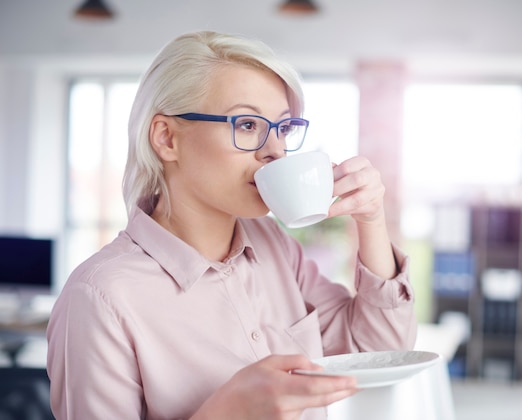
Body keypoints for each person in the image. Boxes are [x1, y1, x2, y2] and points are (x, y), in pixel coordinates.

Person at [46, 30, 417, 420]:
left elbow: (382, 351)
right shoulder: (99, 298)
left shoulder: (276, 247)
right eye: (247, 125)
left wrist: (371, 220)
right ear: (166, 138)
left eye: (283, 128)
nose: (275, 150)